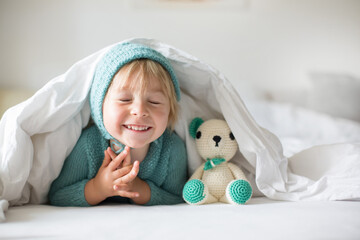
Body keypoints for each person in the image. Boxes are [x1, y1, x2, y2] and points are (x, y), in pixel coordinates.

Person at [48, 42, 188, 206]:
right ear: (100, 107)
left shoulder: (172, 149)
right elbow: (58, 195)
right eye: (125, 100)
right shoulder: (90, 145)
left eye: (154, 101)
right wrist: (98, 188)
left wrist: (141, 190)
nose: (139, 110)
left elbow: (179, 197)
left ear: (170, 111)